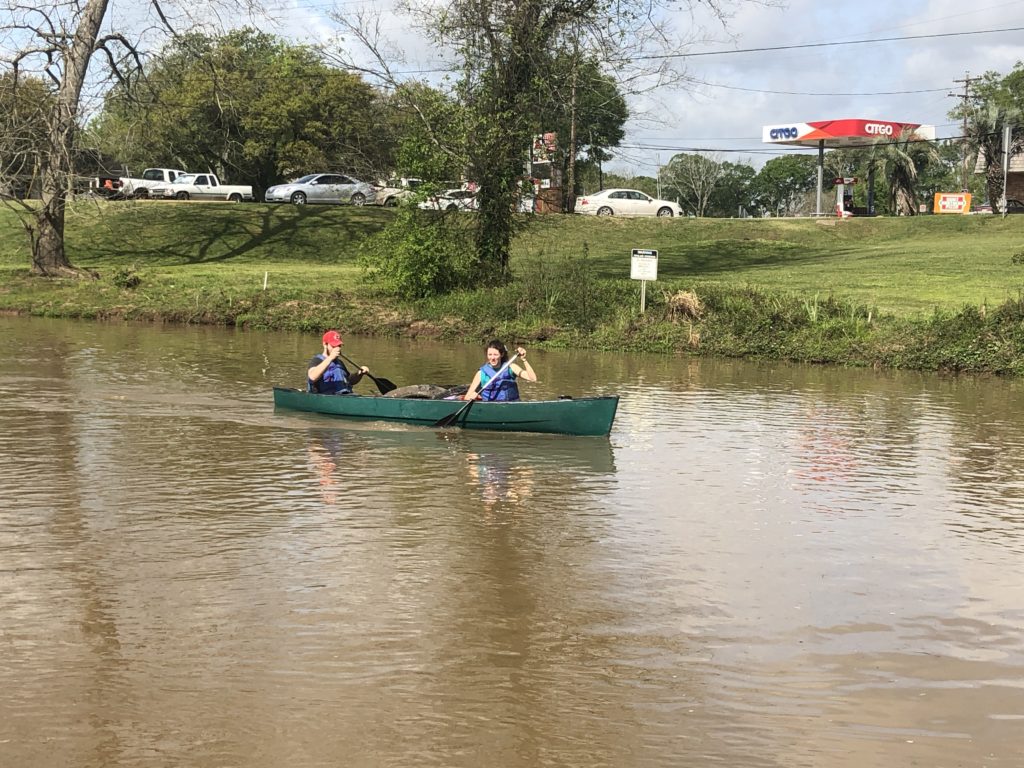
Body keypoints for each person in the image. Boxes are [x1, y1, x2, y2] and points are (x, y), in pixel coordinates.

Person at [463, 340, 536, 401]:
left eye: (495, 354)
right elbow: (467, 397)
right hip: (490, 408)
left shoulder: (511, 367)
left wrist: (524, 359)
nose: (492, 358)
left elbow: (533, 378)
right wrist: (472, 396)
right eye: (490, 355)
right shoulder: (481, 373)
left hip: (511, 406)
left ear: (502, 354)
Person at [307, 330, 369, 394]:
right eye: (334, 346)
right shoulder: (316, 360)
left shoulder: (339, 363)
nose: (338, 349)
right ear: (325, 344)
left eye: (339, 346)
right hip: (324, 397)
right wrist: (330, 357)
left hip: (344, 396)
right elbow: (312, 377)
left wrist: (359, 373)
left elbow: (350, 381)